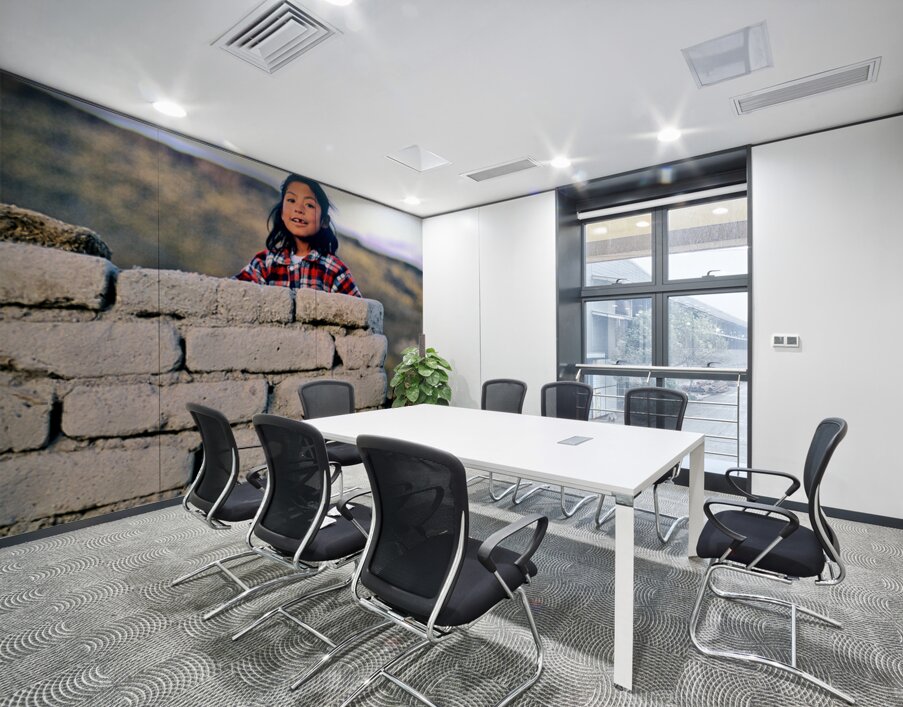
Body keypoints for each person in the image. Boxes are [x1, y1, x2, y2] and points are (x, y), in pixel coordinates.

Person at [236, 173, 361, 297]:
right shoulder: (264, 263)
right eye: (291, 200)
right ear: (282, 213)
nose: (299, 209)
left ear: (324, 222)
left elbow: (357, 312)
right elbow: (234, 293)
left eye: (309, 205)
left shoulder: (333, 269)